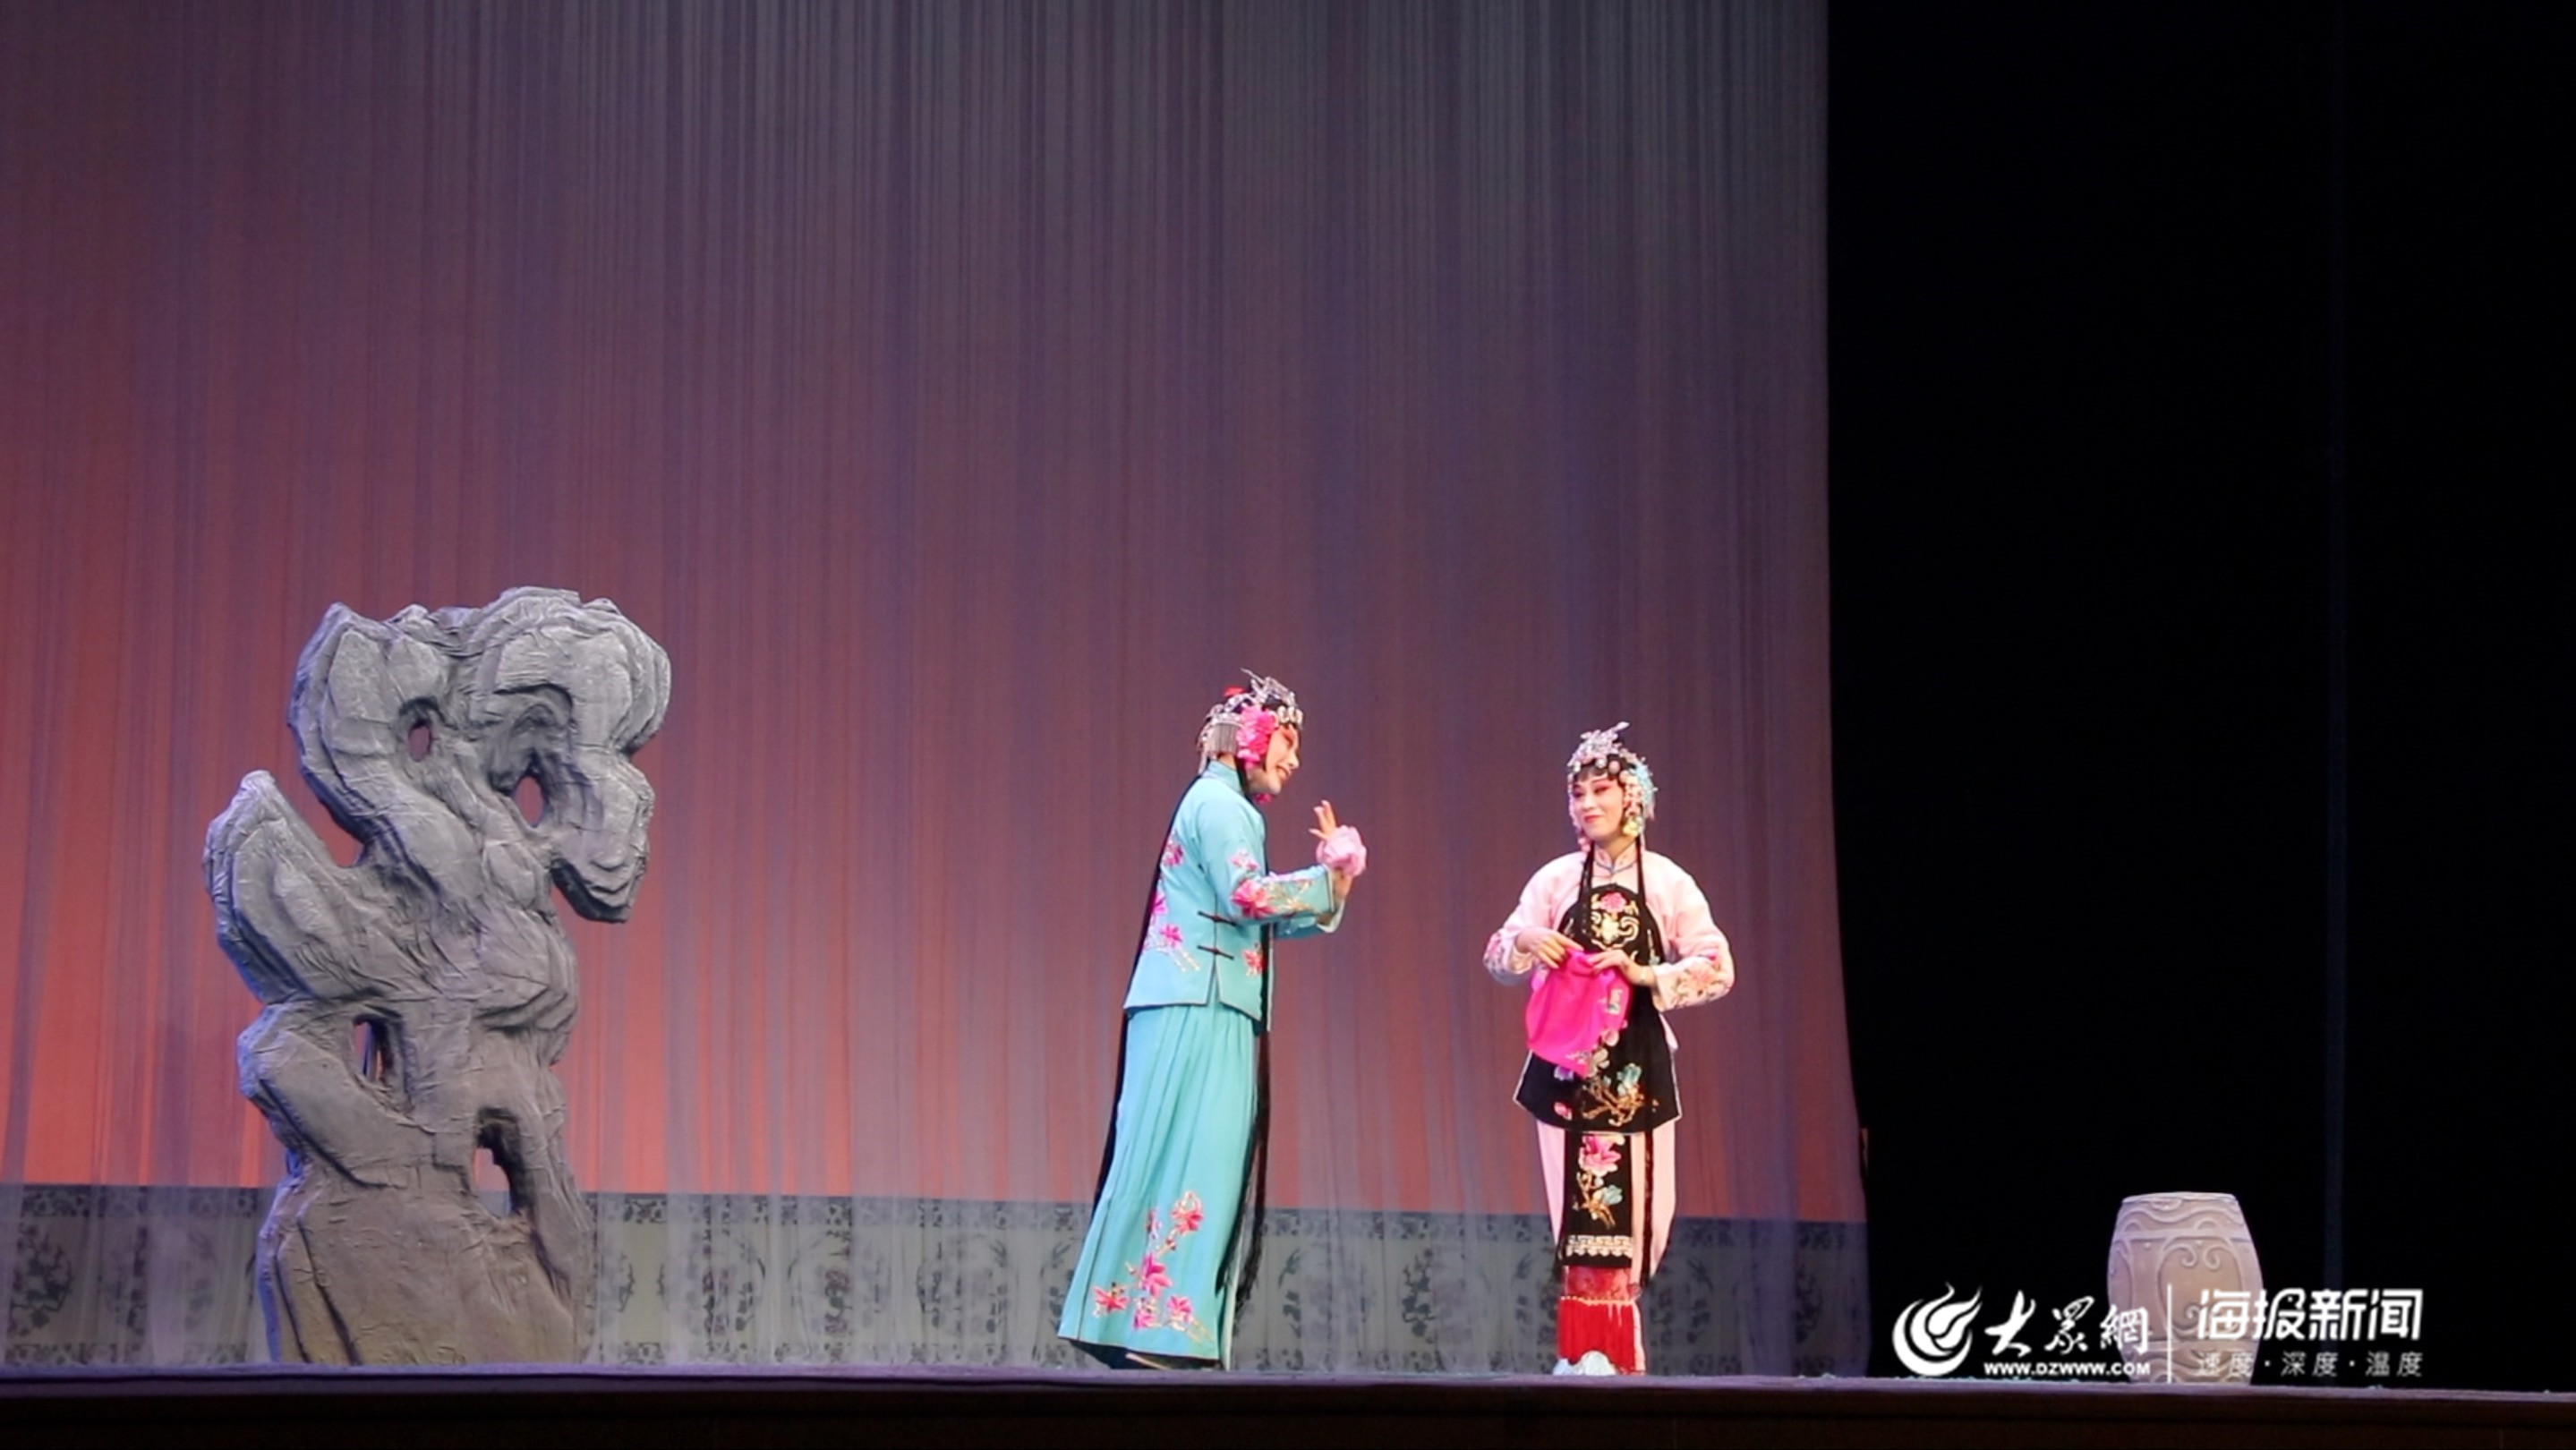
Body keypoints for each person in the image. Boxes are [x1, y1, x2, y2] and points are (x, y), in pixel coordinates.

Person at [1060, 673, 1367, 1368]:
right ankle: (1157, 1329)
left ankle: (1141, 1324)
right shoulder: (1224, 806)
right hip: (1199, 1001)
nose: (1293, 760)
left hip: (1204, 995)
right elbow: (1246, 896)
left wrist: (1333, 890)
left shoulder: (1217, 803)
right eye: (1288, 743)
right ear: (1253, 738)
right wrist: (1324, 878)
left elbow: (1247, 920)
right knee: (1197, 1159)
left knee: (1182, 1157)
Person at [1484, 724, 1734, 1375]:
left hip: (1636, 1066)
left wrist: (1646, 973)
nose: (1588, 803)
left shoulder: (1668, 882)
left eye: (1601, 790)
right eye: (1578, 793)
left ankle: (1620, 1355)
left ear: (1634, 798)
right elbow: (1498, 952)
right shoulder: (1556, 880)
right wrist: (1527, 941)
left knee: (1639, 1220)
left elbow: (1717, 965)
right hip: (1566, 1066)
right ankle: (1583, 1356)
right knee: (1577, 1219)